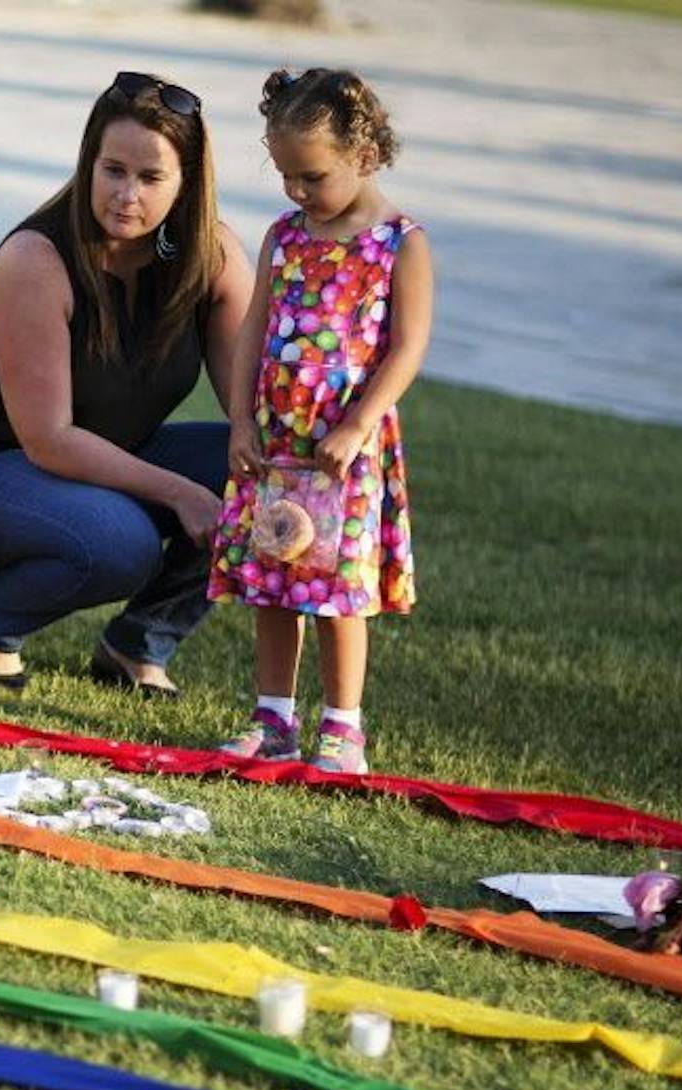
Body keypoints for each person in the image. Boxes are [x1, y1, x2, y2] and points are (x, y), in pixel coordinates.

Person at [0, 71, 255, 695]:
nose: (127, 195)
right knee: (122, 546)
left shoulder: (215, 260)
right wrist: (181, 494)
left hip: (112, 458)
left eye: (151, 178)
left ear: (187, 186)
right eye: (113, 170)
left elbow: (248, 410)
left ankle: (138, 644)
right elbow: (49, 441)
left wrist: (319, 452)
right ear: (88, 163)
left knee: (255, 473)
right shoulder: (35, 261)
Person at [206, 67, 434, 773]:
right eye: (286, 177)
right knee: (275, 581)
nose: (298, 192)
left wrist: (358, 424)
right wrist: (241, 422)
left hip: (344, 455)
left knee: (337, 593)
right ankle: (273, 719)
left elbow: (407, 348)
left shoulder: (399, 243)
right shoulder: (285, 236)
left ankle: (343, 729)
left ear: (364, 158)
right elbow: (253, 332)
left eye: (312, 176)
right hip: (278, 446)